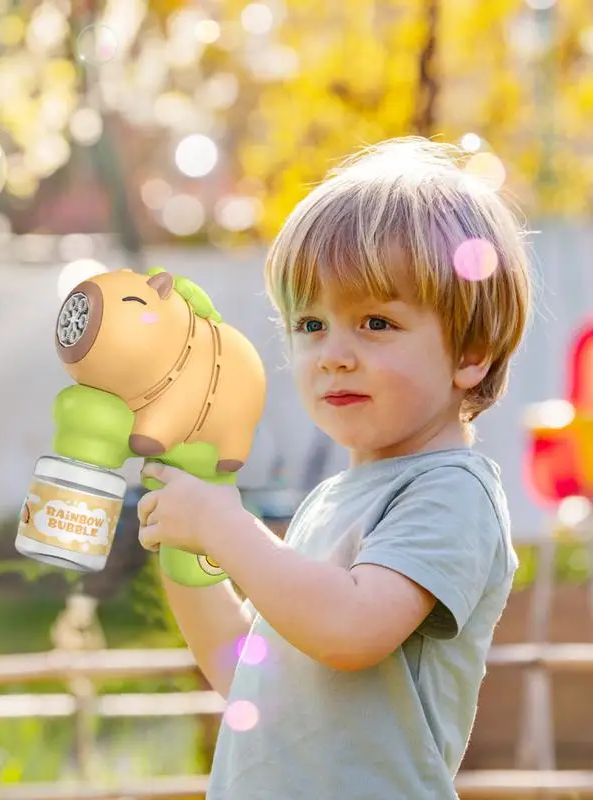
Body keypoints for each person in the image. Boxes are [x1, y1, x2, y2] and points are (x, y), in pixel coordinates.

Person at [136, 136, 533, 799]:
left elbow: (349, 631)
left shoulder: (452, 493)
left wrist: (225, 529)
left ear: (471, 353)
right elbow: (247, 679)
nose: (334, 354)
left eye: (375, 322)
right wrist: (189, 552)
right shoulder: (331, 502)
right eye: (311, 324)